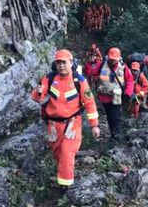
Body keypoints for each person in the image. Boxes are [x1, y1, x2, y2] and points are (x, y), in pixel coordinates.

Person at [31, 49, 100, 188]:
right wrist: (38, 93)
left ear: (71, 63)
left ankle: (65, 188)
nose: (61, 66)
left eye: (64, 62)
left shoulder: (79, 81)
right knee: (58, 154)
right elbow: (36, 97)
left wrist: (94, 125)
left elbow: (90, 103)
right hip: (53, 126)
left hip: (72, 125)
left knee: (66, 153)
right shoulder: (49, 78)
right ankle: (64, 176)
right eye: (58, 63)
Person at [96, 47, 134, 140]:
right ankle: (113, 134)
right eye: (111, 59)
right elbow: (94, 75)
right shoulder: (101, 65)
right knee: (109, 116)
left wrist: (128, 92)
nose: (112, 61)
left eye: (114, 59)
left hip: (116, 97)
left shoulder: (123, 67)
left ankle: (116, 136)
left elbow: (130, 81)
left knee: (116, 116)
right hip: (104, 97)